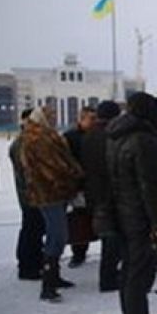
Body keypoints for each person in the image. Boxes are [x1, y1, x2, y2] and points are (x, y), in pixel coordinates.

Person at [106, 92, 157, 314]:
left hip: (121, 210)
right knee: (138, 273)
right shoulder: (143, 139)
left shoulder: (115, 135)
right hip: (138, 214)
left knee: (131, 270)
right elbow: (150, 186)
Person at [20, 107, 84, 302]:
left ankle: (53, 276)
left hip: (51, 192)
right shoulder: (39, 138)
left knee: (57, 234)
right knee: (57, 235)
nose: (54, 118)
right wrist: (75, 174)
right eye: (50, 116)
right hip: (49, 192)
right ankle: (48, 283)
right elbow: (54, 165)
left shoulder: (40, 135)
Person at [80, 101, 121, 292]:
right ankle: (108, 278)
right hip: (109, 192)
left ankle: (109, 275)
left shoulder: (89, 135)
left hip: (94, 191)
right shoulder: (111, 136)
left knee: (107, 235)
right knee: (112, 238)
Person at [10, 108, 46, 280]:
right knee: (31, 229)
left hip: (30, 193)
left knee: (33, 229)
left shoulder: (23, 142)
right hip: (30, 194)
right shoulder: (22, 143)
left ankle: (32, 262)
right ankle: (27, 266)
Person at [63, 106, 97, 268]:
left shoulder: (98, 135)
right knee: (79, 221)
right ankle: (78, 253)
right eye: (91, 118)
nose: (94, 122)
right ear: (81, 119)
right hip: (79, 185)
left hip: (96, 184)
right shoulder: (70, 137)